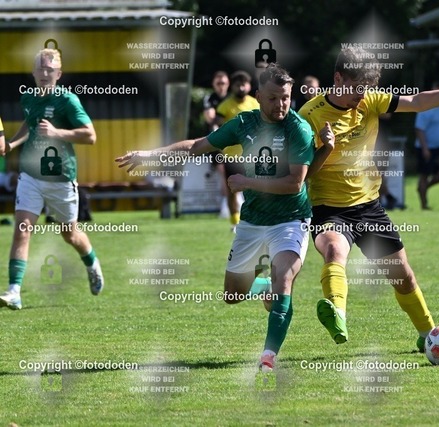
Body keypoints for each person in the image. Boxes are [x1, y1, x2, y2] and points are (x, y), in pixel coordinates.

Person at [116, 64, 317, 373]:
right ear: (258, 96)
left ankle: (268, 357)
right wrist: (150, 155)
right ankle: (264, 286)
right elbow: (197, 146)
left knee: (285, 281)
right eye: (273, 98)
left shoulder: (298, 128)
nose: (281, 105)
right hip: (253, 220)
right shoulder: (243, 123)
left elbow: (294, 183)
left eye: (286, 98)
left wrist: (247, 182)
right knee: (233, 295)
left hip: (291, 219)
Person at [298, 47, 439, 351]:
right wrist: (325, 149)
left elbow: (417, 102)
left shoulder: (370, 101)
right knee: (334, 251)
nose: (361, 96)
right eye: (357, 88)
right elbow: (302, 174)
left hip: (369, 208)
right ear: (338, 78)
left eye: (366, 89)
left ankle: (428, 335)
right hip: (329, 210)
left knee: (404, 278)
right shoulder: (309, 116)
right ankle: (337, 314)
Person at [0, 47, 104, 311]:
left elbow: (90, 135)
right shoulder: (28, 98)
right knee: (22, 228)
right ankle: (14, 291)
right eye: (40, 68)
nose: (44, 73)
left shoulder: (68, 100)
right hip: (31, 175)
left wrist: (58, 133)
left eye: (50, 69)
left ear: (59, 74)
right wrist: (11, 145)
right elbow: (30, 123)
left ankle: (92, 263)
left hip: (61, 178)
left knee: (69, 234)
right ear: (33, 72)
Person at [216, 70, 261, 231]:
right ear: (232, 86)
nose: (241, 88)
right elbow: (218, 128)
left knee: (256, 189)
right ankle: (235, 222)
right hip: (231, 156)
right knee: (232, 191)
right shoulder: (224, 106)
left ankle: (254, 221)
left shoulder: (255, 104)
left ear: (249, 86)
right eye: (237, 85)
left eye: (244, 84)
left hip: (252, 155)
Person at [414, 81, 439, 210]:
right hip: (426, 148)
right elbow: (419, 129)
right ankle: (424, 205)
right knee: (424, 175)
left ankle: (424, 188)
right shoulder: (426, 106)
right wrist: (425, 148)